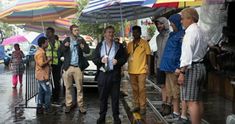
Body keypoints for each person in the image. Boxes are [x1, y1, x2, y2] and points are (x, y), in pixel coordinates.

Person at [176, 8, 208, 124]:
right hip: (201, 66)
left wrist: (182, 72)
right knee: (198, 100)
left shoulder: (190, 33)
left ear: (190, 19)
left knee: (191, 101)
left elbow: (187, 55)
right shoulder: (201, 31)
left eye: (182, 18)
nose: (181, 21)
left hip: (192, 68)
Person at [93, 26, 127, 124]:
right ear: (105, 34)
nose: (111, 34)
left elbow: (124, 58)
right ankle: (102, 116)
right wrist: (101, 60)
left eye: (112, 32)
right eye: (109, 32)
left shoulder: (119, 46)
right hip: (103, 75)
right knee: (103, 97)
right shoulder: (100, 45)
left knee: (115, 97)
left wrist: (118, 61)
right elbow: (94, 59)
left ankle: (116, 117)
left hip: (114, 74)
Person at [159, 14, 185, 122]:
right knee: (170, 92)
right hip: (167, 67)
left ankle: (177, 113)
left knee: (176, 92)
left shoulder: (182, 35)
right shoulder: (172, 35)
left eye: (172, 24)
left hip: (174, 68)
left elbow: (183, 53)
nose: (171, 26)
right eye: (170, 24)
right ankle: (174, 112)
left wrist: (179, 67)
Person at [60, 24, 90, 114]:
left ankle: (81, 106)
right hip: (68, 67)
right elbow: (60, 51)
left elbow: (87, 51)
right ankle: (68, 105)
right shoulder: (67, 40)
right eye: (75, 30)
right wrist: (65, 46)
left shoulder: (81, 40)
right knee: (68, 87)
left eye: (78, 30)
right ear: (71, 32)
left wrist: (83, 47)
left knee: (79, 88)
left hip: (78, 68)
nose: (77, 32)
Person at [127, 25, 151, 115]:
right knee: (134, 89)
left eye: (137, 32)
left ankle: (143, 107)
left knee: (141, 89)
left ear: (140, 33)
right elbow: (127, 56)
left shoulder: (144, 43)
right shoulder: (129, 44)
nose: (135, 33)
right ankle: (136, 105)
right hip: (131, 70)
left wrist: (147, 66)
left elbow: (148, 55)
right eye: (134, 32)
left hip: (142, 70)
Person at [153, 17, 171, 115]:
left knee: (169, 86)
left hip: (168, 65)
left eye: (161, 24)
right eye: (157, 24)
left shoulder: (170, 36)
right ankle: (164, 104)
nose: (159, 26)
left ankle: (169, 105)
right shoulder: (157, 37)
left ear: (165, 23)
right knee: (162, 85)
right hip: (160, 64)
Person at [34, 37, 52, 114]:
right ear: (42, 43)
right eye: (46, 42)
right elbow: (41, 64)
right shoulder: (40, 53)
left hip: (42, 76)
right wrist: (49, 60)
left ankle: (39, 108)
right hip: (42, 76)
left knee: (41, 92)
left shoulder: (41, 51)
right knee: (48, 92)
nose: (48, 44)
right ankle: (47, 109)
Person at [46, 27, 62, 103]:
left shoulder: (58, 42)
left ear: (53, 33)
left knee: (56, 81)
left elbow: (61, 53)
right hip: (47, 65)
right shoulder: (45, 42)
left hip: (56, 65)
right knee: (46, 81)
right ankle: (47, 97)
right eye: (46, 32)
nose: (47, 34)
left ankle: (56, 97)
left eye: (48, 32)